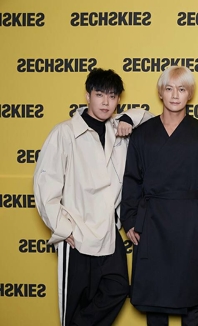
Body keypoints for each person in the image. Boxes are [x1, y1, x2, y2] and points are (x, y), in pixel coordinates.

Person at [33, 68, 153, 325]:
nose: (106, 102)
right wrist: (63, 229)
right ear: (87, 96)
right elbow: (46, 185)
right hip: (76, 235)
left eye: (112, 96)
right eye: (100, 95)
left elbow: (152, 120)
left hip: (108, 233)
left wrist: (129, 119)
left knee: (118, 288)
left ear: (119, 100)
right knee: (75, 302)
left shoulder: (118, 130)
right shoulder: (64, 133)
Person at [120, 66, 198, 325]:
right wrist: (129, 220)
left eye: (182, 89)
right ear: (160, 93)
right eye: (169, 88)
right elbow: (131, 179)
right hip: (151, 221)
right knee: (155, 299)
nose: (175, 95)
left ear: (190, 94)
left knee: (190, 298)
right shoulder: (142, 134)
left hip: (190, 222)